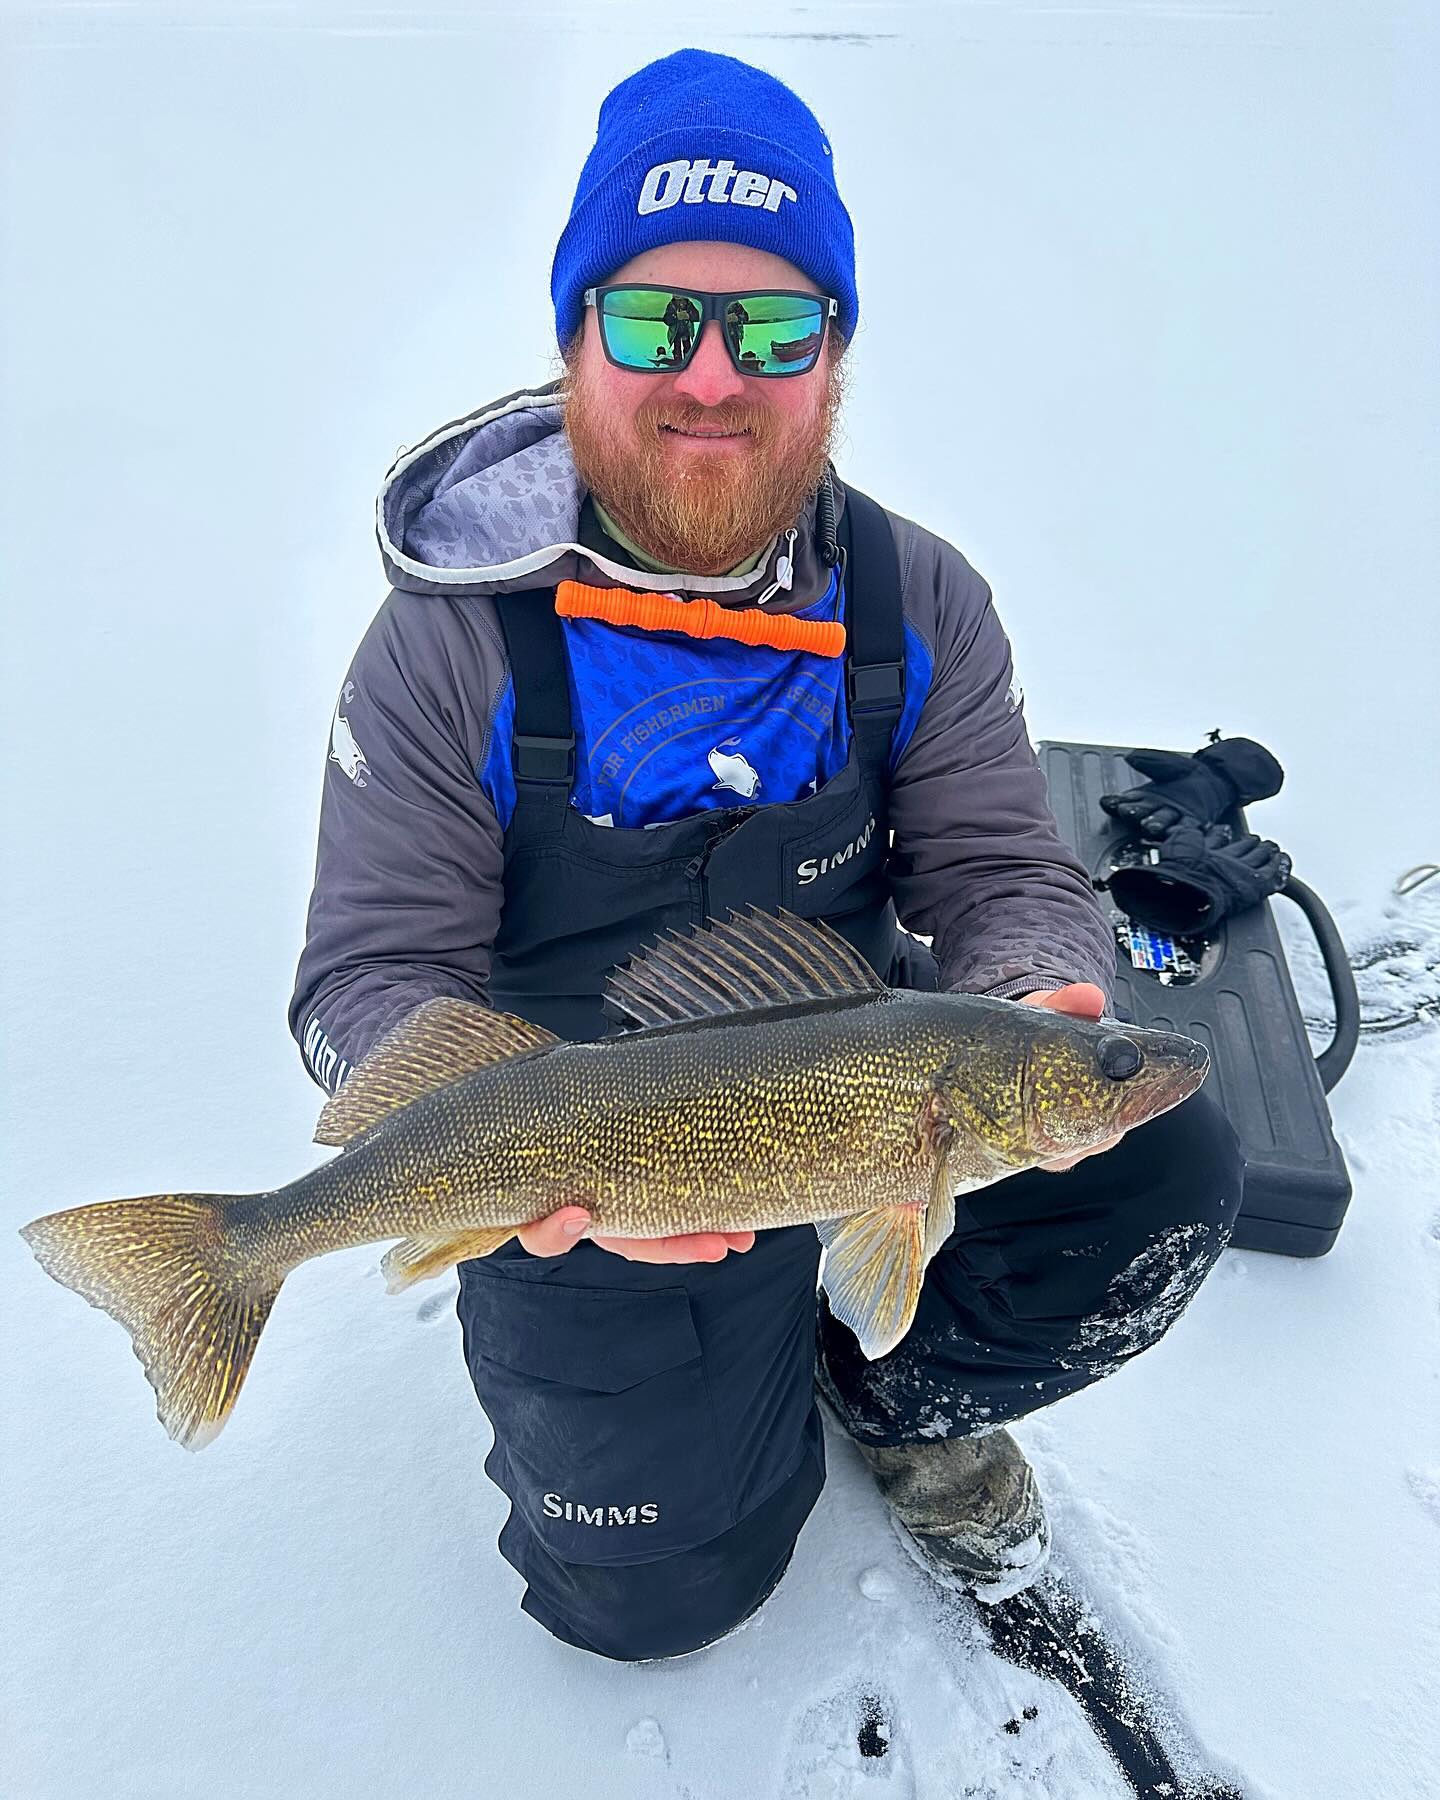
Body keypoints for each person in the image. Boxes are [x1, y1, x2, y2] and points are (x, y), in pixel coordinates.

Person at [289, 48, 1242, 1663]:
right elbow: (366, 980)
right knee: (652, 1605)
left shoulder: (915, 596)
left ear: (835, 359)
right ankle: (688, 1376)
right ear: (578, 341)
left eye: (776, 327)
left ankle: (880, 1383)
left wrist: (1041, 987)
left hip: (857, 1087)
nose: (713, 378)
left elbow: (1000, 865)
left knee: (1161, 1168)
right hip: (581, 1169)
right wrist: (522, 1179)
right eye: (657, 320)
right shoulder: (446, 646)